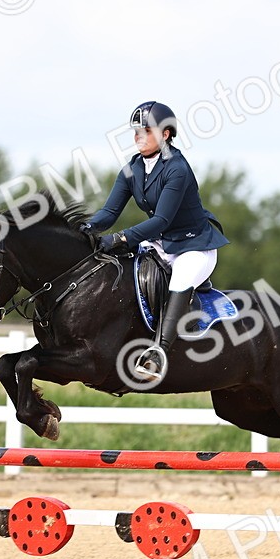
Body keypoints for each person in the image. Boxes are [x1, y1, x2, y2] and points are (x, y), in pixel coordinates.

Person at [85, 101, 229, 383]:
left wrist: (121, 237)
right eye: (136, 131)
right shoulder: (133, 168)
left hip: (193, 246)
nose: (138, 136)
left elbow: (161, 219)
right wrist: (84, 228)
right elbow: (109, 212)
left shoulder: (177, 168)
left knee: (180, 279)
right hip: (160, 244)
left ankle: (158, 353)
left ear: (165, 134)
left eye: (146, 131)